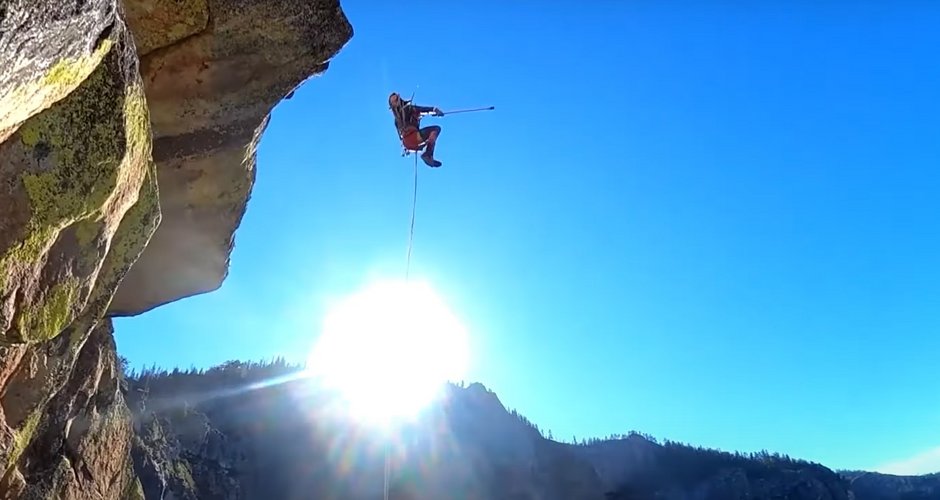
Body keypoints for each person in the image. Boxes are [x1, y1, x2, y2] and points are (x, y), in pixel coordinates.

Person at [388, 92, 445, 167]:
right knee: (436, 129)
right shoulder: (408, 108)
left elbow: (400, 137)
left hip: (407, 144)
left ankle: (427, 155)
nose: (395, 102)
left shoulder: (396, 120)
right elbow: (422, 110)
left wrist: (406, 148)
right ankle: (428, 154)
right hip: (414, 136)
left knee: (423, 146)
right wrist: (434, 110)